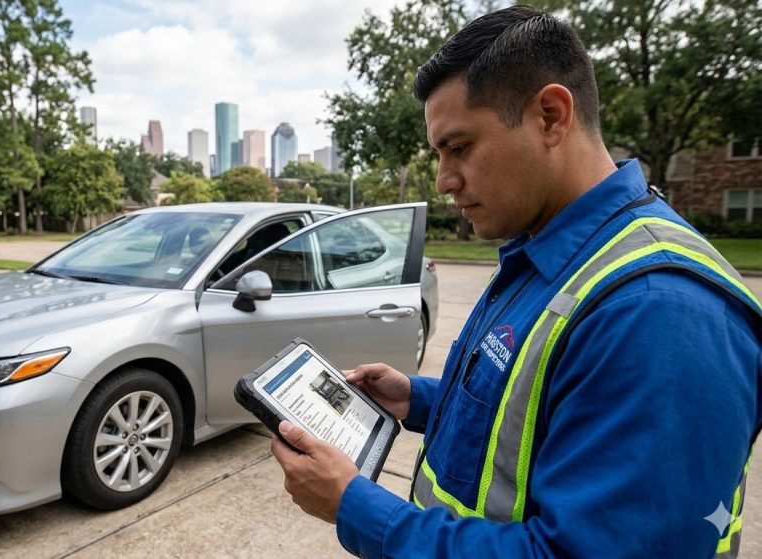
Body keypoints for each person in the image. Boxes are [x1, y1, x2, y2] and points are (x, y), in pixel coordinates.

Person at [270, 5, 761, 557]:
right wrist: (419, 400)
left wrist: (354, 506)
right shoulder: (550, 251)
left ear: (551, 115)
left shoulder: (660, 314)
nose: (444, 181)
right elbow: (534, 413)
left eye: (460, 148)